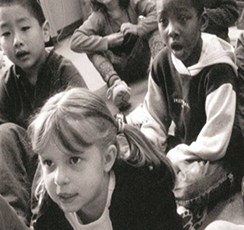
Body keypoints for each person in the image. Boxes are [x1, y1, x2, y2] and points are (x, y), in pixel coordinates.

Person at [0, 87, 183, 230]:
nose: (59, 178)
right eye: (48, 163)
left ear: (107, 159)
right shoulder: (48, 214)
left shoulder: (145, 191)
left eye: (74, 160)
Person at [133, 0, 243, 228]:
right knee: (136, 161)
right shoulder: (162, 62)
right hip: (187, 147)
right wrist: (151, 156)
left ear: (202, 21)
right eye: (164, 21)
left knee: (187, 186)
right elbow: (154, 118)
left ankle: (190, 209)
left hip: (220, 157)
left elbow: (215, 143)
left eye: (182, 19)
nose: (172, 30)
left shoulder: (219, 71)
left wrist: (169, 162)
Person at [0, 0, 87, 225]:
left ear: (45, 30)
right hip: (25, 176)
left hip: (60, 165)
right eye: (6, 34)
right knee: (4, 134)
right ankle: (16, 221)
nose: (17, 41)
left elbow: (87, 123)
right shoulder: (5, 86)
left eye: (25, 28)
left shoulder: (63, 71)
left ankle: (39, 219)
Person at [70, 0, 164, 110]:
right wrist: (106, 41)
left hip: (140, 62)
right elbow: (75, 41)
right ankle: (117, 86)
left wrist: (138, 28)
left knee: (154, 29)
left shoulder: (133, 3)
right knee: (91, 48)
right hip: (118, 73)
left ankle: (162, 69)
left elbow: (161, 11)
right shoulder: (98, 17)